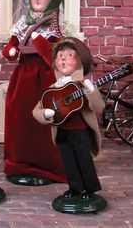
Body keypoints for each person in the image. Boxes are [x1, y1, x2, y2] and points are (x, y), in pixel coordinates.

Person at [1, 0, 67, 185]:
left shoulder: (55, 26)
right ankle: (20, 162)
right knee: (20, 118)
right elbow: (12, 45)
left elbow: (56, 58)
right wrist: (10, 51)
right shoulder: (23, 22)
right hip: (23, 78)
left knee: (44, 120)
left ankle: (45, 164)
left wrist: (40, 42)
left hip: (44, 79)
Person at [32, 37, 104, 200]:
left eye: (69, 55)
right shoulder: (54, 89)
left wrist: (91, 91)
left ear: (80, 60)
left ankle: (89, 189)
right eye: (60, 55)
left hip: (80, 131)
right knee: (69, 161)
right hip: (63, 131)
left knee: (84, 160)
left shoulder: (85, 85)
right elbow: (36, 111)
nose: (63, 58)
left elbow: (99, 107)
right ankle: (75, 188)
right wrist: (46, 113)